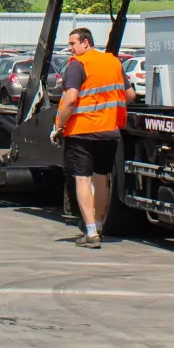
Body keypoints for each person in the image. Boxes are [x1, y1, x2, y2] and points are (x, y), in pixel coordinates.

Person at [55, 26, 127, 249]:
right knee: (101, 178)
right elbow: (130, 94)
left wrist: (58, 126)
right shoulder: (113, 62)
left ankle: (91, 233)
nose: (70, 48)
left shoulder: (77, 65)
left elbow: (70, 99)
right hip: (109, 131)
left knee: (82, 179)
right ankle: (98, 225)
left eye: (73, 44)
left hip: (82, 131)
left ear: (86, 43)